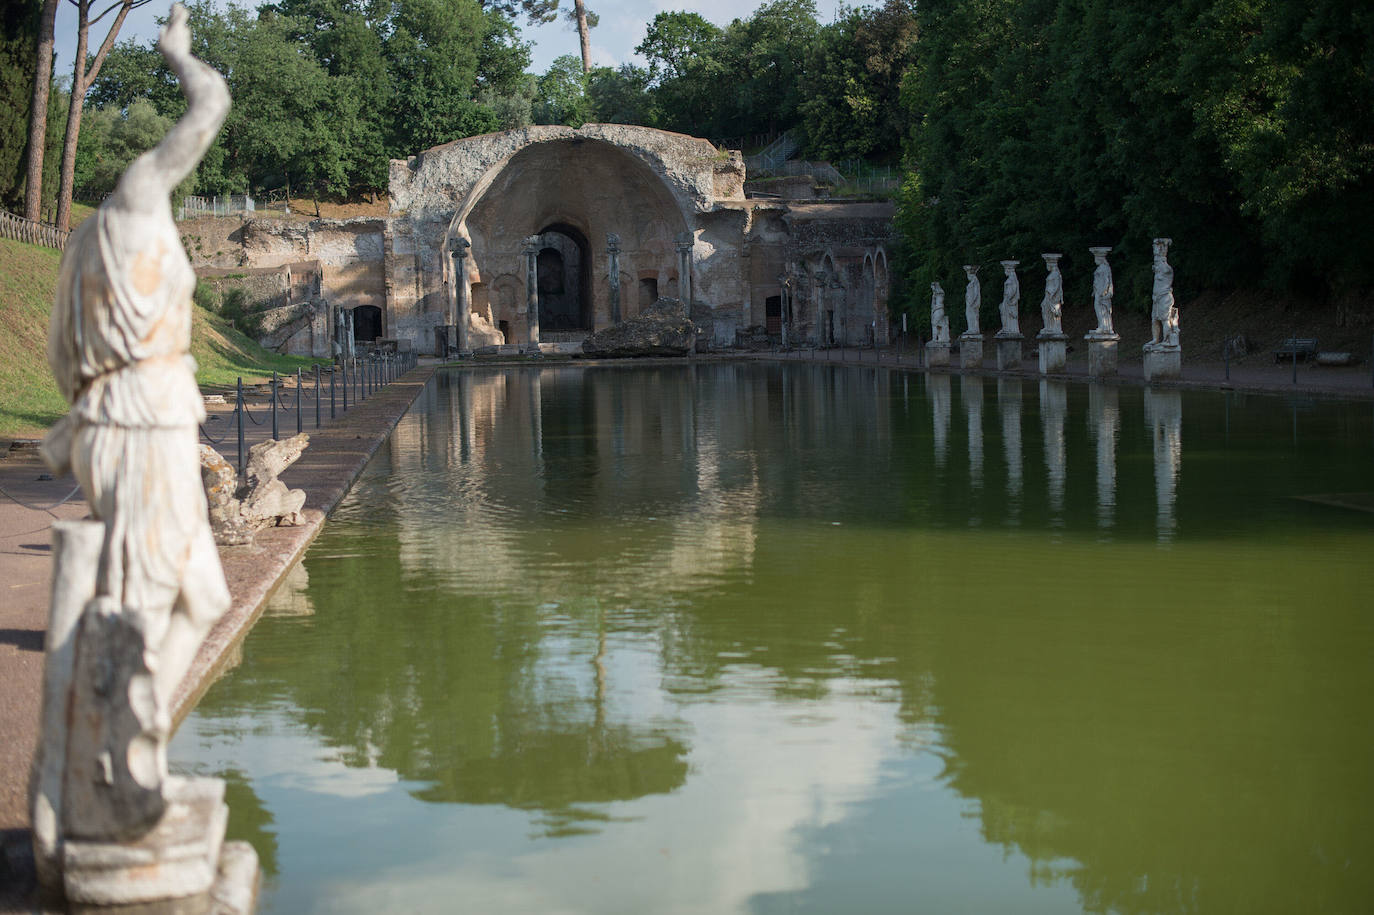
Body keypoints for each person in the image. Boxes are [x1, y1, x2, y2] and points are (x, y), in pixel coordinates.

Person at [43, 3, 232, 726]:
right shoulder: (138, 204)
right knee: (143, 603)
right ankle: (101, 763)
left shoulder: (84, 246)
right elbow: (212, 102)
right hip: (142, 422)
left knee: (204, 598)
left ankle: (134, 736)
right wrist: (177, 54)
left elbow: (64, 359)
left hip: (134, 417)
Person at [1089, 247, 1114, 336]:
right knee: (1099, 309)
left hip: (1101, 293)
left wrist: (1103, 291)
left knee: (1101, 309)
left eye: (1096, 258)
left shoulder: (1104, 268)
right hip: (1098, 292)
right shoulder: (1102, 268)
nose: (1095, 260)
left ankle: (1104, 326)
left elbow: (1107, 281)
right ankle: (1102, 325)